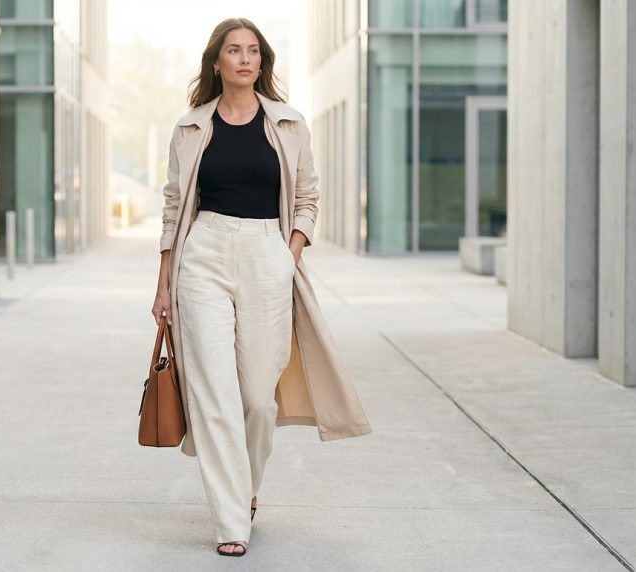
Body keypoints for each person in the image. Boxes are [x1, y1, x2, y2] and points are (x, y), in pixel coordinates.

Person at [151, 17, 372, 558]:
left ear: (261, 62)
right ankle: (231, 520)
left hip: (265, 254)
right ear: (217, 62)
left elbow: (308, 200)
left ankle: (247, 487)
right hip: (202, 255)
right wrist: (163, 285)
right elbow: (175, 209)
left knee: (255, 397)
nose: (245, 59)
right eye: (234, 51)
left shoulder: (289, 125)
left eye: (253, 51)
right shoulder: (191, 128)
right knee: (216, 394)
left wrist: (287, 254)